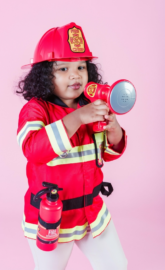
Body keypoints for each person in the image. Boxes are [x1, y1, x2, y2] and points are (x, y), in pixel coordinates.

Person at [16, 22, 128, 270]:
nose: (75, 75)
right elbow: (33, 150)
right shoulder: (36, 109)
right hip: (52, 217)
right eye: (63, 69)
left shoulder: (90, 104)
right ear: (45, 75)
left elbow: (105, 155)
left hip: (91, 212)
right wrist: (77, 119)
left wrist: (114, 131)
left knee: (116, 265)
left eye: (81, 67)